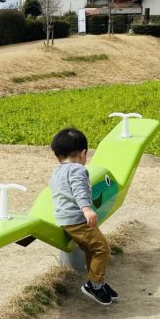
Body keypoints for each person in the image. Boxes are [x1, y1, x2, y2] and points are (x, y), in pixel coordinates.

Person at [49, 127, 118, 306]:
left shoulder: (57, 171)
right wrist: (86, 209)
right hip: (77, 220)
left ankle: (98, 281)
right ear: (83, 154)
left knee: (91, 249)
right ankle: (94, 285)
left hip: (65, 218)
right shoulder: (78, 170)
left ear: (57, 155)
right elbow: (79, 190)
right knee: (102, 249)